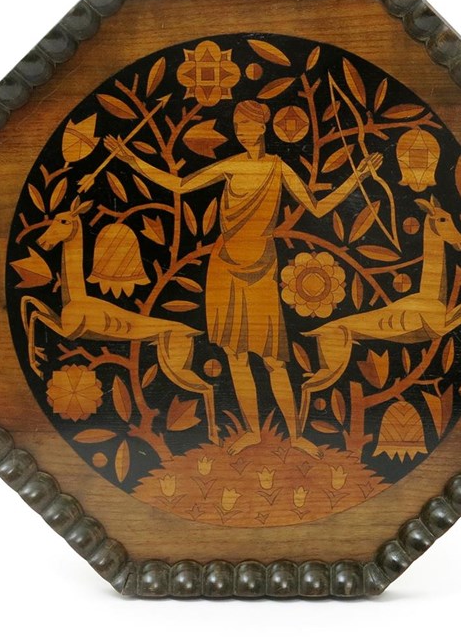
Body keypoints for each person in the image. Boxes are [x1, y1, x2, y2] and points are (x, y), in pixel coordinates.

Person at [114, 100, 381, 457]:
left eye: (248, 125)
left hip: (261, 267)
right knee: (236, 355)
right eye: (238, 126)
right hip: (224, 265)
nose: (242, 132)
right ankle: (253, 432)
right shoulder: (232, 165)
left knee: (273, 358)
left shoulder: (276, 167)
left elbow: (317, 207)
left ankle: (296, 436)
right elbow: (180, 185)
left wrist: (357, 177)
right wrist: (132, 160)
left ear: (263, 127)